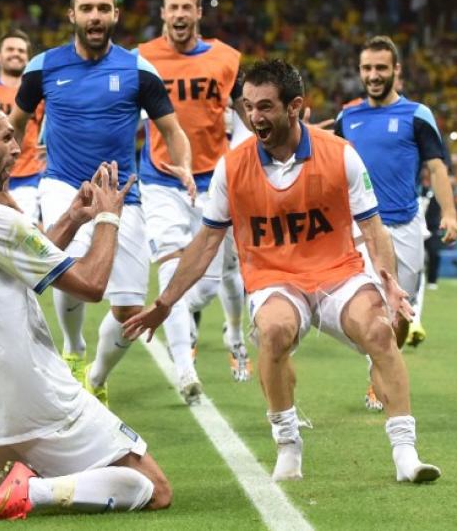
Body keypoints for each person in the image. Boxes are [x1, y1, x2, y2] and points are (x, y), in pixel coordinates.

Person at [124, 59, 440, 484]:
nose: (254, 116)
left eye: (266, 106)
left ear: (295, 107)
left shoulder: (339, 154)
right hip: (275, 277)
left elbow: (372, 227)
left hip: (337, 272)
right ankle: (288, 445)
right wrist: (165, 303)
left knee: (381, 330)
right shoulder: (232, 167)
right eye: (249, 106)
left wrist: (389, 281)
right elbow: (205, 243)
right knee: (273, 332)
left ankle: (406, 453)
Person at [0, 93, 172, 522]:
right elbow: (90, 285)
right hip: (36, 398)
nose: (17, 149)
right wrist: (107, 218)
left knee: (82, 480)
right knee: (152, 488)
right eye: (7, 138)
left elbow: (19, 268)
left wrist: (72, 218)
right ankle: (30, 489)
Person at [9, 0, 193, 405]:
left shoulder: (137, 70)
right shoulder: (43, 67)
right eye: (87, 8)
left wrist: (182, 165)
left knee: (130, 309)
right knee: (68, 268)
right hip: (62, 185)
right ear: (72, 14)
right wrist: (0, 171)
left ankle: (96, 374)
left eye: (103, 8)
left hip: (122, 195)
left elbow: (173, 129)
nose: (95, 16)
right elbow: (13, 125)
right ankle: (72, 348)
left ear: (115, 14)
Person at [137, 0, 250, 403]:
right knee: (170, 269)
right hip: (161, 179)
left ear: (199, 13)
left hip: (212, 181)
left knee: (205, 284)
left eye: (188, 7)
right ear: (163, 13)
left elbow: (248, 111)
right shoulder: (142, 59)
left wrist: (249, 149)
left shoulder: (226, 58)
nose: (180, 15)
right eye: (173, 8)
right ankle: (185, 370)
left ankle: (213, 323)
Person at [335, 36, 457, 408]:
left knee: (400, 312)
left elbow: (436, 167)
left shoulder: (417, 115)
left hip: (405, 227)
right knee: (373, 309)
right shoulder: (347, 117)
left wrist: (449, 212)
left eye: (381, 68)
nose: (373, 75)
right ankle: (379, 374)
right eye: (367, 69)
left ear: (396, 71)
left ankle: (382, 364)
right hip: (360, 230)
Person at [0, 30, 44, 220]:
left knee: (22, 240)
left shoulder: (41, 95)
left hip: (28, 178)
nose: (15, 53)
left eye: (21, 51)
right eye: (10, 49)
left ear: (28, 58)